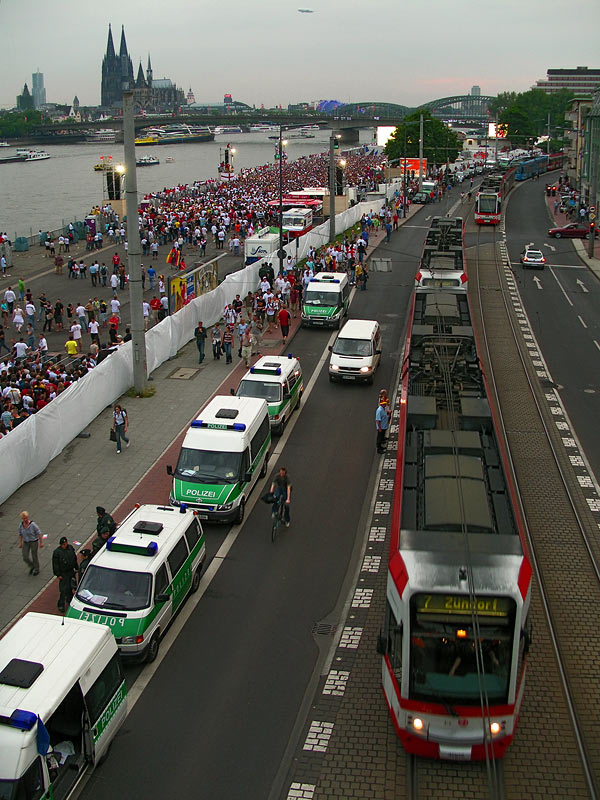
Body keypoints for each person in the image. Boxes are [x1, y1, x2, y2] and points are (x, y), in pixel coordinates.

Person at [52, 537, 78, 612]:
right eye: (63, 544)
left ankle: (69, 600)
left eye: (65, 543)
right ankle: (61, 604)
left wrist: (76, 567)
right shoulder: (57, 552)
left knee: (72, 587)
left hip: (71, 571)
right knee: (64, 590)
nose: (64, 545)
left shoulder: (70, 548)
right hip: (64, 573)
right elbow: (55, 564)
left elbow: (74, 558)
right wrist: (58, 574)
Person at [18, 510, 43, 576]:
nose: (26, 519)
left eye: (26, 518)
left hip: (33, 541)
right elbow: (20, 534)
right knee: (25, 556)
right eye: (24, 518)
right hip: (26, 542)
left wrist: (41, 542)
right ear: (22, 519)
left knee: (34, 555)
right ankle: (32, 565)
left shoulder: (33, 525)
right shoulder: (21, 525)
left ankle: (36, 569)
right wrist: (20, 543)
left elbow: (39, 533)